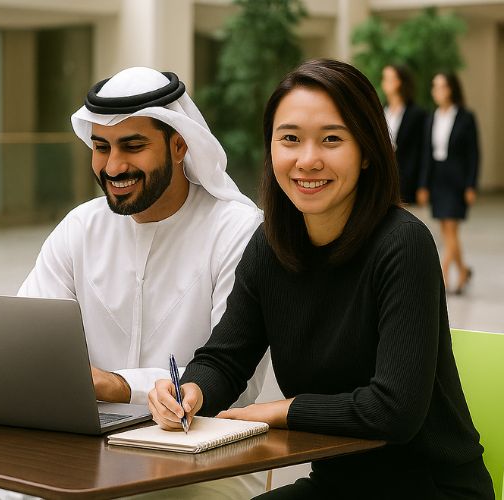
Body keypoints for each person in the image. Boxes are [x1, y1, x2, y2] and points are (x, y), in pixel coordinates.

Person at [149, 59, 494, 499]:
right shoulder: (269, 246)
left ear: (368, 150)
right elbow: (227, 357)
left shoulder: (404, 245)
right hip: (338, 486)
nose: (307, 160)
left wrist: (281, 411)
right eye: (289, 139)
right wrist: (191, 390)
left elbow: (395, 410)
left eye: (332, 139)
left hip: (431, 490)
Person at [16, 67, 270, 498]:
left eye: (132, 146)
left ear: (178, 144)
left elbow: (234, 379)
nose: (114, 166)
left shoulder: (237, 231)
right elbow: (24, 337)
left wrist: (115, 386)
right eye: (101, 147)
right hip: (88, 447)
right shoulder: (81, 227)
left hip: (206, 454)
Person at [418, 72, 479, 295]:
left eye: (441, 86)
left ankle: (442, 276)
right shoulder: (432, 117)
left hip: (457, 180)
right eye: (434, 86)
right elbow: (427, 153)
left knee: (451, 229)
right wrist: (423, 184)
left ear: (451, 88)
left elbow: (474, 153)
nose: (436, 90)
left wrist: (471, 185)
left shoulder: (465, 117)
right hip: (438, 179)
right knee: (446, 230)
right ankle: (462, 270)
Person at [380, 64, 427, 204]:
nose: (383, 82)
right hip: (383, 177)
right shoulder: (381, 111)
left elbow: (422, 151)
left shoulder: (417, 114)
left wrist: (422, 185)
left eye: (387, 78)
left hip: (407, 178)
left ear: (399, 82)